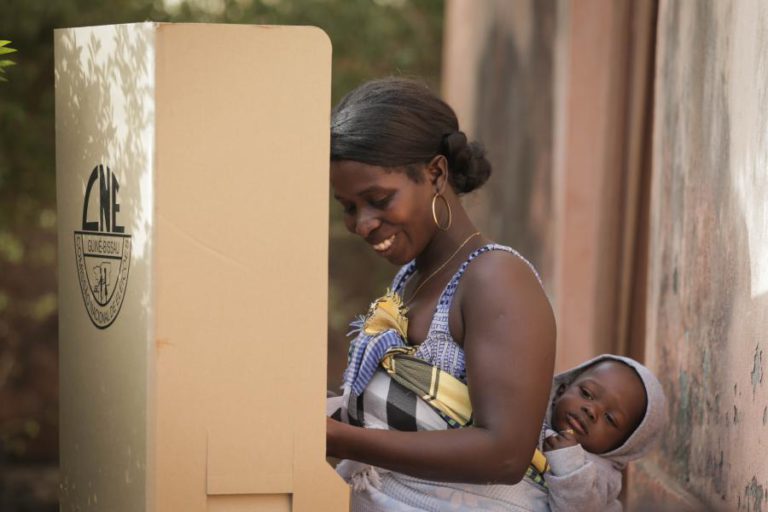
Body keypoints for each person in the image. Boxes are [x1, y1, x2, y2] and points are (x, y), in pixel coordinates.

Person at [326, 77, 557, 511]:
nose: (362, 224)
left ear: (435, 173)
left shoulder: (495, 279)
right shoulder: (412, 278)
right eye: (349, 207)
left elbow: (504, 453)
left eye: (378, 199)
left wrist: (339, 438)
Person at [540, 354, 667, 511]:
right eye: (586, 393)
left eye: (610, 419)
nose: (591, 410)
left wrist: (568, 465)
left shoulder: (600, 476)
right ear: (561, 391)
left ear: (621, 447)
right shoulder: (532, 418)